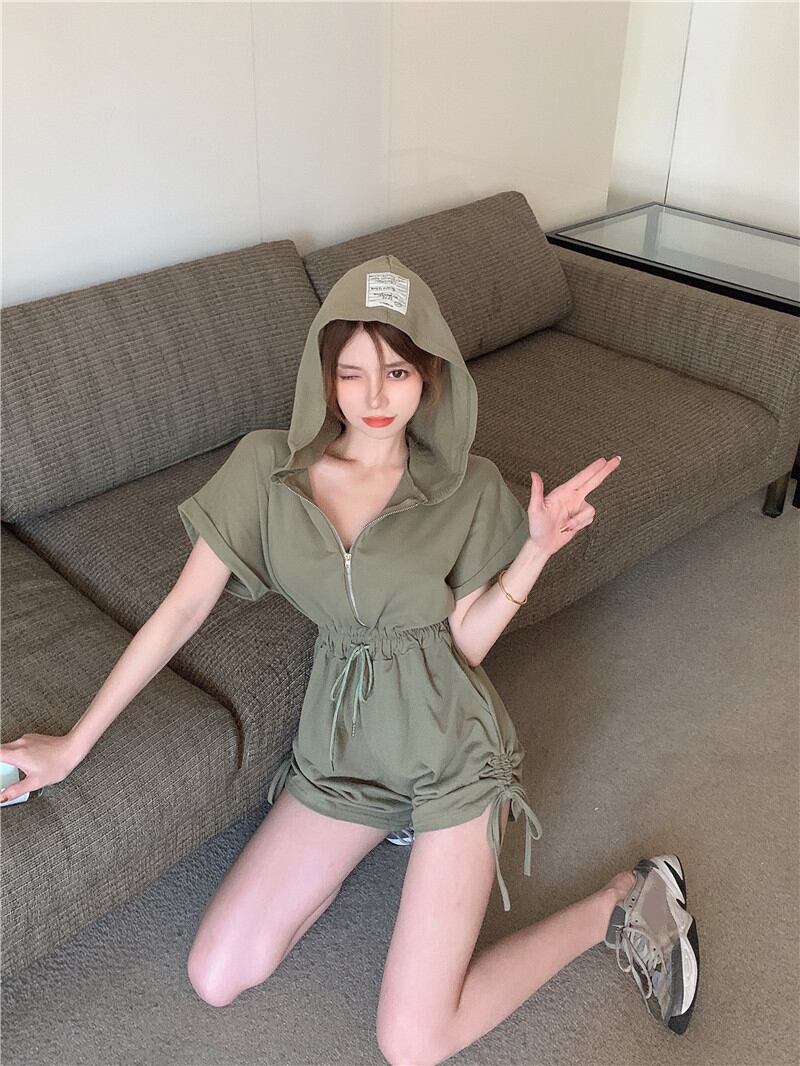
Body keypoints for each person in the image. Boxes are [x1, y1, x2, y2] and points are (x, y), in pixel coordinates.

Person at [0, 255, 699, 1057]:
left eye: (396, 371)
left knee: (414, 1044)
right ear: (323, 376)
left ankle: (618, 904)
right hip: (340, 753)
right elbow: (182, 611)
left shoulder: (468, 488)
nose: (375, 397)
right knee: (216, 973)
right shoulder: (267, 470)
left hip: (448, 750)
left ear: (427, 375)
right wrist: (73, 744)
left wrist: (535, 550)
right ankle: (379, 831)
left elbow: (462, 645)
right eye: (352, 372)